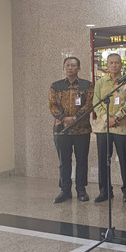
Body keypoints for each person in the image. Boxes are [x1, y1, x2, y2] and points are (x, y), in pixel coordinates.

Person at [49, 56, 94, 203]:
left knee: (82, 161)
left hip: (82, 130)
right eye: (67, 65)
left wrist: (74, 118)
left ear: (79, 68)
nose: (70, 68)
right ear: (64, 67)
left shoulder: (87, 85)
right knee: (64, 161)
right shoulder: (56, 86)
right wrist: (63, 118)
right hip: (61, 131)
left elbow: (89, 104)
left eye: (73, 66)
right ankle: (65, 190)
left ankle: (81, 190)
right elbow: (52, 105)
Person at [92, 53, 126, 203]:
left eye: (117, 62)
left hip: (122, 127)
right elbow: (96, 102)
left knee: (124, 159)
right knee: (103, 160)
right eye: (111, 63)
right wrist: (105, 118)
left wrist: (116, 117)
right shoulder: (101, 82)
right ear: (107, 66)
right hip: (103, 128)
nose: (114, 65)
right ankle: (105, 191)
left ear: (121, 65)